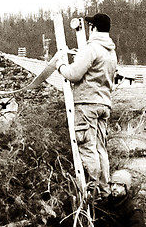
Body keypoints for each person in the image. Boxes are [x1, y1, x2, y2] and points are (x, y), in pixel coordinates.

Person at [38, 12, 119, 188]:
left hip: (86, 104)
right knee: (100, 149)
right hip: (104, 104)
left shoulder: (92, 49)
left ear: (93, 28)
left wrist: (59, 65)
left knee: (87, 147)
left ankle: (92, 189)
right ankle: (104, 189)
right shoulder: (111, 53)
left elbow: (73, 74)